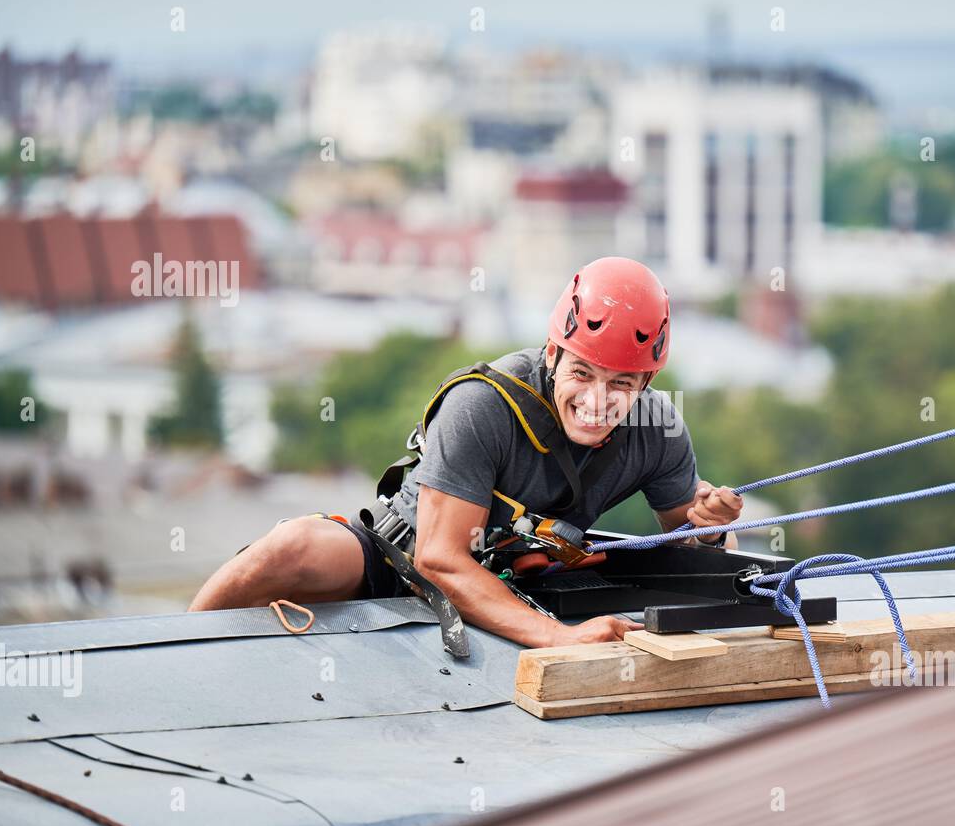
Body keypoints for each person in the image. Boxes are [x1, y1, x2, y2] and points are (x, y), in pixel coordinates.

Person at [188, 256, 743, 646]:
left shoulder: (658, 428)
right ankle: (176, 643)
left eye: (621, 384)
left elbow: (691, 547)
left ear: (645, 383)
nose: (598, 402)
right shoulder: (483, 406)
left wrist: (713, 529)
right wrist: (557, 639)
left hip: (527, 575)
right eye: (583, 373)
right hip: (400, 560)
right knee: (293, 546)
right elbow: (437, 557)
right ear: (553, 353)